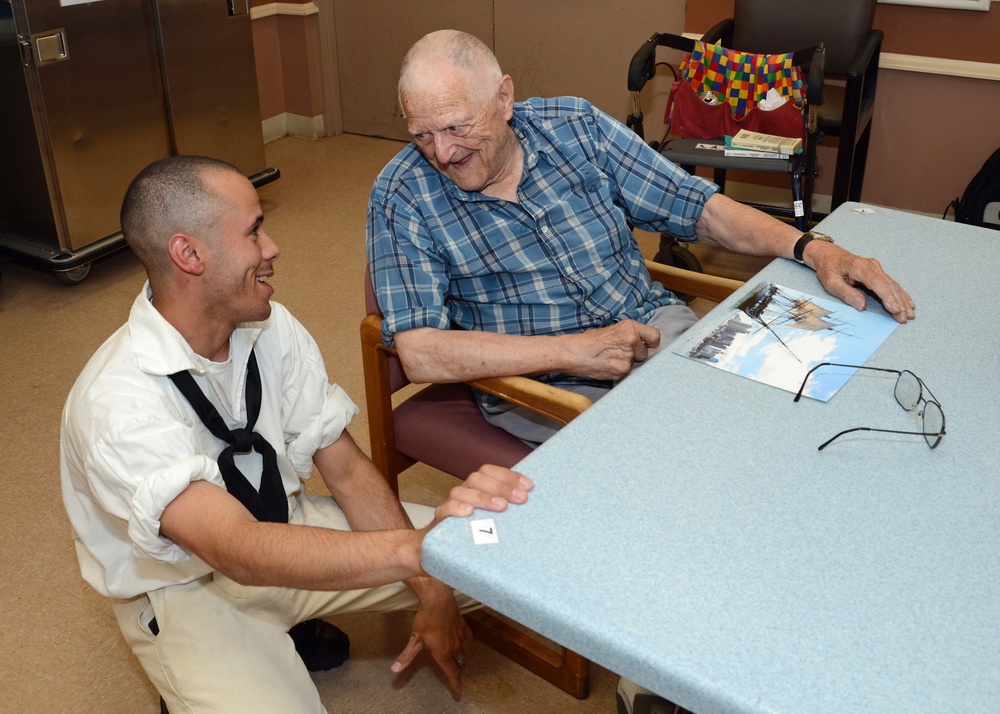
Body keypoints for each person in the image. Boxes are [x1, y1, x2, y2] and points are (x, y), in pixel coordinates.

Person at [60, 155, 533, 713]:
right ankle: (196, 676)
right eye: (254, 229)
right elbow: (234, 549)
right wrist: (416, 553)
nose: (273, 246)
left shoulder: (269, 325)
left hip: (285, 524)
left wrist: (434, 589)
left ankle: (289, 622)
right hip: (188, 586)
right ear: (189, 255)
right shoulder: (116, 401)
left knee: (508, 555)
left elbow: (347, 469)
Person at [367, 29, 917, 446]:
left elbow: (695, 206)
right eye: (422, 135)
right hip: (540, 383)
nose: (442, 153)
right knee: (686, 452)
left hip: (655, 328)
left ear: (505, 98)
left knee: (783, 405)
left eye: (457, 127)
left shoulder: (574, 127)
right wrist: (573, 352)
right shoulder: (402, 195)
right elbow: (421, 352)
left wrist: (813, 248)